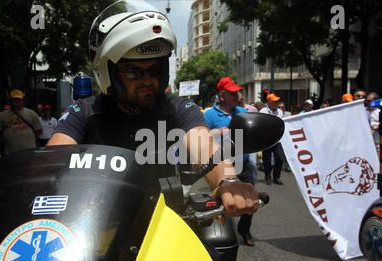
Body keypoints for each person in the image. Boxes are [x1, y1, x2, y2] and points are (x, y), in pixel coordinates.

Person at [48, 3, 258, 221]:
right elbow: (52, 160)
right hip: (94, 222)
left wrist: (228, 181)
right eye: (132, 72)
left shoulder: (178, 108)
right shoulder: (84, 111)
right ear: (106, 72)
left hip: (164, 224)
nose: (148, 80)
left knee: (219, 242)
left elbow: (202, 144)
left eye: (155, 70)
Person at [203, 76, 257, 247]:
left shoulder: (242, 112)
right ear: (222, 96)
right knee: (224, 202)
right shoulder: (210, 115)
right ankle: (222, 235)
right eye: (233, 93)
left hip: (245, 163)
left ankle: (244, 230)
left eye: (237, 92)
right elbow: (200, 138)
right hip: (223, 167)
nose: (238, 96)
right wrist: (217, 132)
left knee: (251, 199)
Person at [0, 89, 43, 154]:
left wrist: (28, 140)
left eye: (19, 99)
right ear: (10, 101)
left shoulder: (32, 113)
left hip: (29, 151)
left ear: (23, 101)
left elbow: (39, 131)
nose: (17, 102)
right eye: (14, 100)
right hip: (10, 152)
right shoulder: (2, 115)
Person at [260, 93, 285, 185]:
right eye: (274, 101)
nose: (276, 103)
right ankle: (268, 177)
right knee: (267, 159)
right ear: (269, 102)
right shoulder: (263, 111)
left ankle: (276, 177)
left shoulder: (280, 111)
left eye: (277, 101)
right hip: (266, 139)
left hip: (278, 140)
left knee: (279, 158)